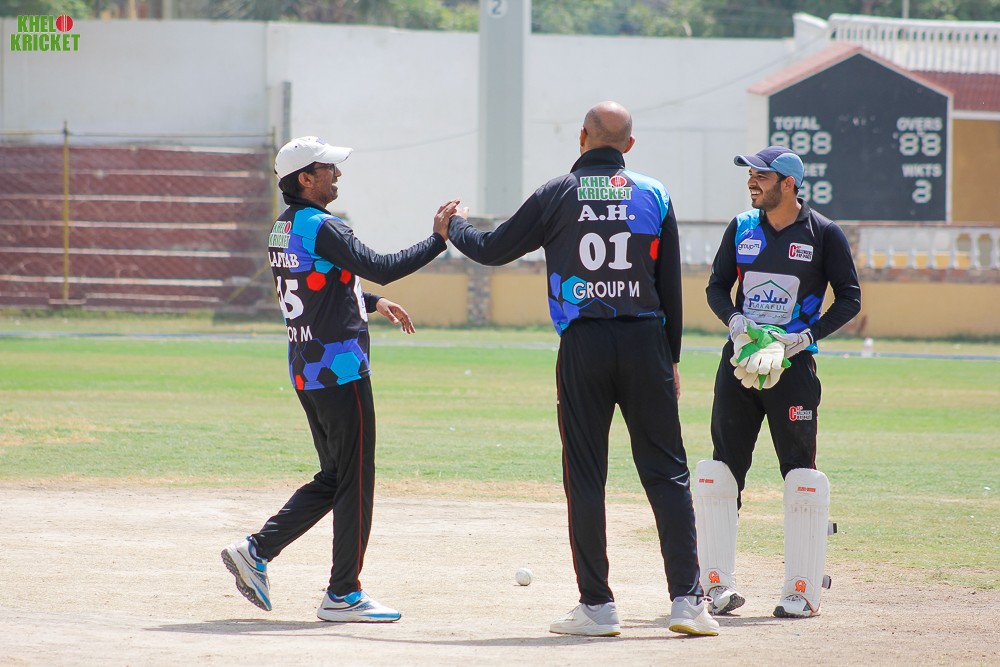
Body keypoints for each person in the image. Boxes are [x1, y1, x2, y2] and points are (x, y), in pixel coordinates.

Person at [448, 102, 719, 637]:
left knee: (586, 476)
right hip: (646, 342)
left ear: (582, 137)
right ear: (629, 145)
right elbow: (670, 285)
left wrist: (452, 224)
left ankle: (597, 606)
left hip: (583, 345)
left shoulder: (557, 193)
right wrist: (671, 358)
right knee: (667, 473)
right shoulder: (654, 193)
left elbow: (493, 249)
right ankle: (688, 602)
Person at [222, 135, 458, 623]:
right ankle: (343, 593)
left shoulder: (284, 228)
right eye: (329, 168)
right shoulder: (324, 225)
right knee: (355, 482)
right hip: (341, 371)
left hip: (307, 368)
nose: (338, 174)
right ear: (306, 178)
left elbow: (320, 286)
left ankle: (257, 550)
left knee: (335, 477)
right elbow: (380, 267)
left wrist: (371, 302)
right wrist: (438, 240)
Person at [696, 146, 861, 619]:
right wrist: (734, 323)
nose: (752, 182)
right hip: (741, 363)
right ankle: (714, 586)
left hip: (793, 369)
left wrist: (805, 337)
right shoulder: (742, 227)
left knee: (801, 478)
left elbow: (849, 298)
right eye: (750, 174)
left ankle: (802, 591)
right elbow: (716, 286)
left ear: (788, 184)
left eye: (761, 176)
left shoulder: (823, 233)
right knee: (720, 473)